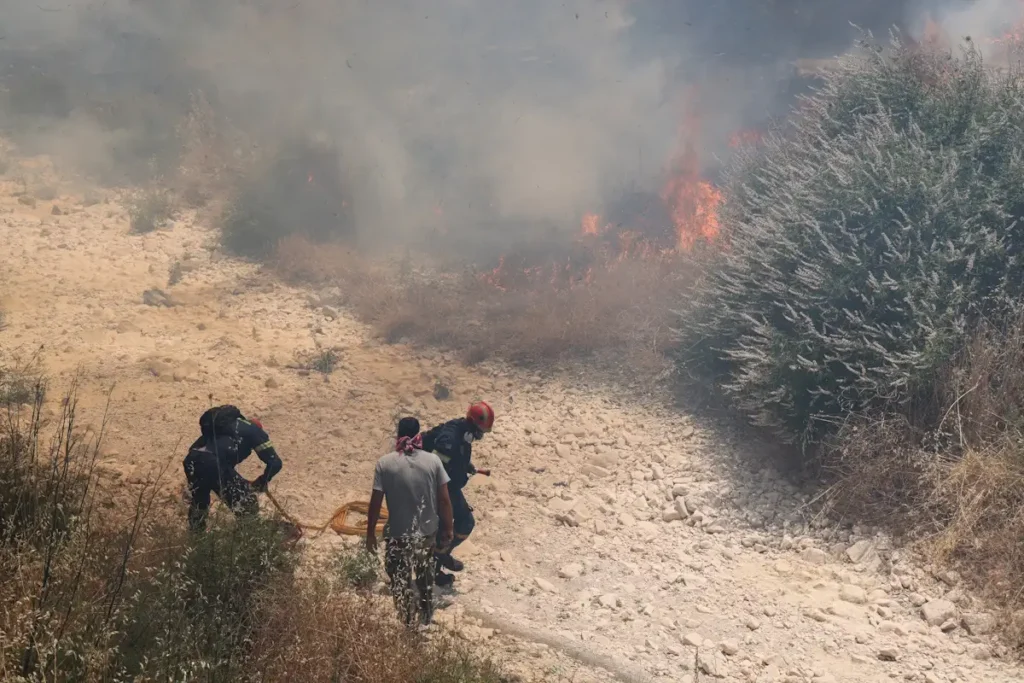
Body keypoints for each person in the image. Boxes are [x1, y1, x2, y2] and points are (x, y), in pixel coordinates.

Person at [367, 417, 454, 628]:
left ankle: (406, 621)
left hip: (397, 534)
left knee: (400, 579)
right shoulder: (433, 462)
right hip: (426, 534)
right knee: (424, 577)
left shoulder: (384, 463)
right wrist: (448, 528)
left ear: (398, 434)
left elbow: (375, 503)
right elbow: (444, 499)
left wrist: (370, 533)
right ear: (418, 434)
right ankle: (425, 618)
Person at [420, 401, 494, 587]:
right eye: (481, 431)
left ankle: (435, 563)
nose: (480, 436)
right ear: (473, 425)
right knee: (464, 523)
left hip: (444, 484)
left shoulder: (461, 433)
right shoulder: (451, 438)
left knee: (445, 528)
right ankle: (438, 557)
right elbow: (438, 464)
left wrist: (464, 466)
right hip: (438, 486)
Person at [182, 404, 283, 532]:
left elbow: (203, 453)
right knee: (247, 504)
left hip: (192, 460)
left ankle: (196, 539)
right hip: (214, 464)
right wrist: (262, 481)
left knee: (200, 503)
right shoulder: (254, 431)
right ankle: (246, 542)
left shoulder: (222, 428)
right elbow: (275, 463)